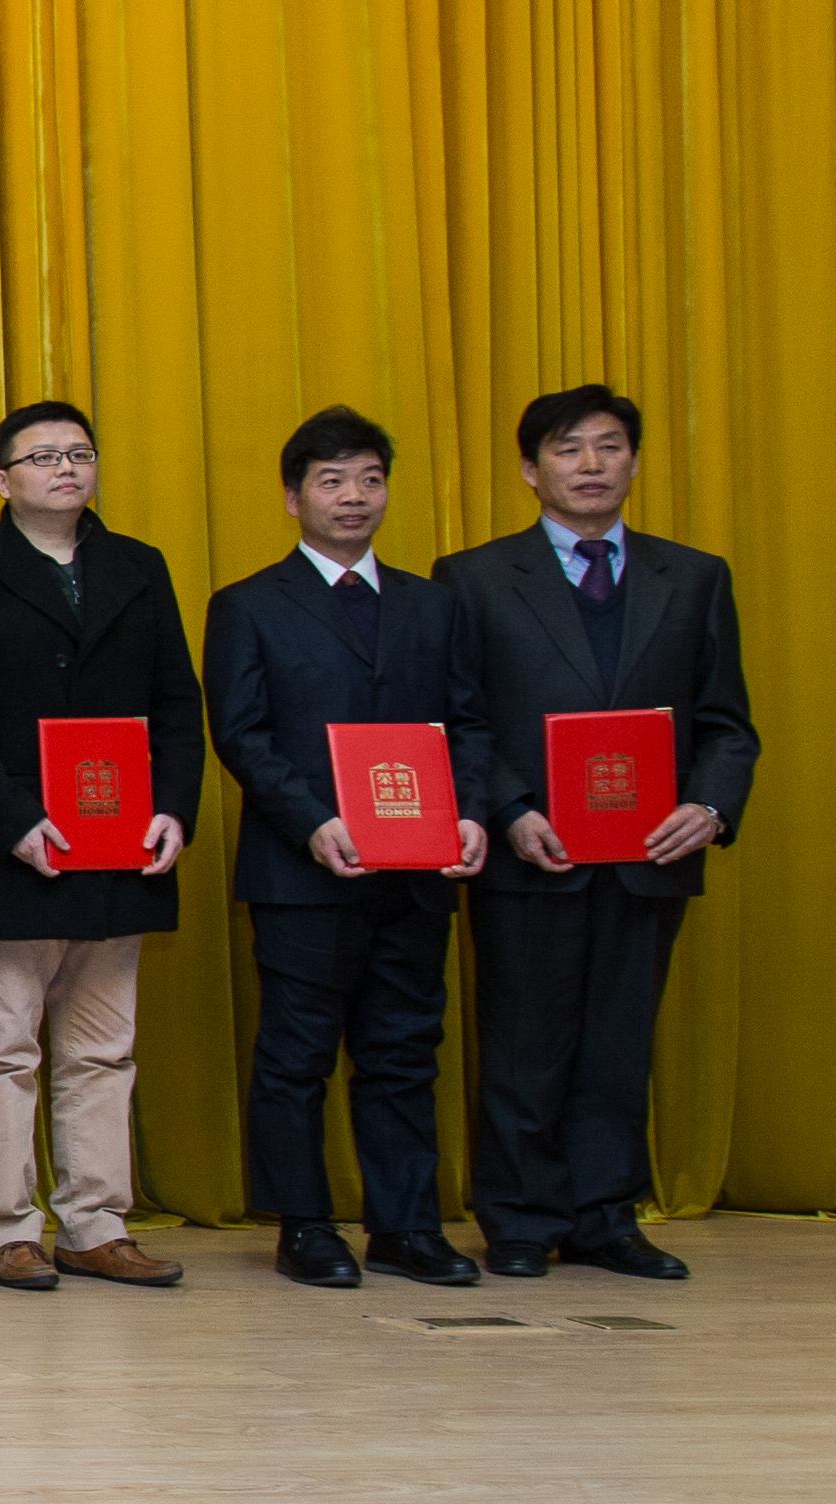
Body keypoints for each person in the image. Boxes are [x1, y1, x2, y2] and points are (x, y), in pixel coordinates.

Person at [435, 383, 753, 1280]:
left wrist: (710, 808)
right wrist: (508, 810)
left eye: (609, 447)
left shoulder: (694, 577)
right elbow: (460, 718)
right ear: (530, 470)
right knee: (524, 1041)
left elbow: (728, 723)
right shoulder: (474, 578)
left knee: (620, 1041)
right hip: (532, 848)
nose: (591, 465)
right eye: (568, 449)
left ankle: (607, 1217)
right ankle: (519, 1221)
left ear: (635, 462)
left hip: (651, 852)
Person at [0, 399, 204, 1293]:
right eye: (42, 458)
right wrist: (15, 821)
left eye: (79, 453)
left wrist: (173, 810)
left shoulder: (139, 567)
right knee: (4, 1049)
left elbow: (177, 704)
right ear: (2, 480)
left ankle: (96, 1224)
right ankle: (8, 1228)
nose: (65, 468)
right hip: (11, 851)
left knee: (102, 1050)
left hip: (120, 843)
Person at [204, 407, 488, 1290]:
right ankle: (305, 1225)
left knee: (404, 1051)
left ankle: (406, 1227)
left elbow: (470, 723)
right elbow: (241, 734)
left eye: (369, 478)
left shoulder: (434, 605)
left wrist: (472, 813)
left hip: (418, 870)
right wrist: (312, 821)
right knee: (296, 1055)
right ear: (295, 499)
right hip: (304, 870)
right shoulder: (248, 604)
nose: (353, 496)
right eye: (331, 481)